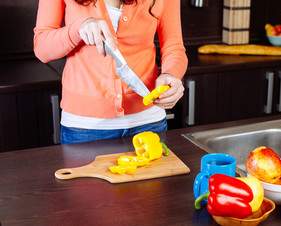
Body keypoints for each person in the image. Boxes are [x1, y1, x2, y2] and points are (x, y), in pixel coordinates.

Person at [34, 0, 188, 144]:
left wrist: (171, 74)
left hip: (149, 122)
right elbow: (42, 48)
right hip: (84, 128)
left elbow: (173, 47)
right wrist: (78, 28)